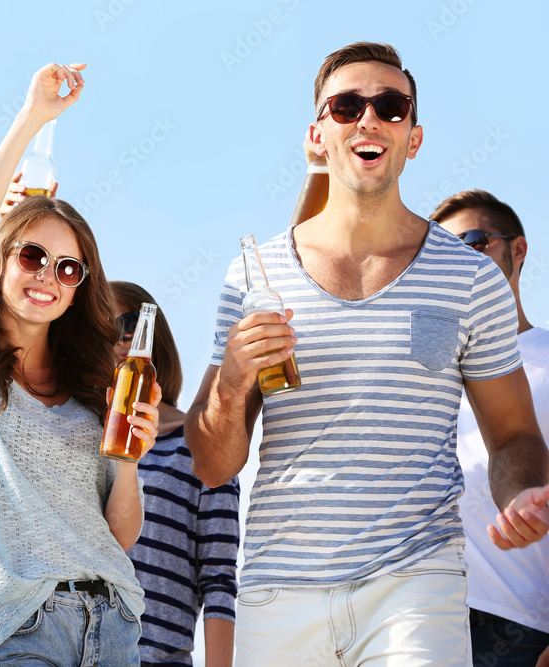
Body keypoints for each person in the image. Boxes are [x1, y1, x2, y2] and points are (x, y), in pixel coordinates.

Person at [184, 42, 549, 665]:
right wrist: (234, 380)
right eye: (347, 105)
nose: (369, 119)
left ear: (414, 136)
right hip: (280, 591)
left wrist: (525, 492)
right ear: (318, 133)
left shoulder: (471, 280)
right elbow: (212, 464)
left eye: (390, 106)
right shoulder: (255, 277)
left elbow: (513, 435)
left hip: (417, 587)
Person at [0, 62, 161, 666]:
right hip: (19, 630)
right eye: (33, 255)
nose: (49, 276)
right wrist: (33, 117)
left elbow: (120, 535)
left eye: (68, 268)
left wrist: (128, 464)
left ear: (80, 287)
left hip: (116, 627)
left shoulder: (96, 388)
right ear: (0, 259)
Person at [433, 189, 549, 667]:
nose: (461, 259)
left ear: (516, 250)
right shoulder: (425, 373)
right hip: (421, 615)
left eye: (474, 241)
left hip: (519, 627)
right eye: (443, 253)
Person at [112, 281, 239, 667]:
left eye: (126, 328)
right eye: (92, 331)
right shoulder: (80, 442)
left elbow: (218, 580)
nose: (115, 343)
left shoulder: (200, 446)